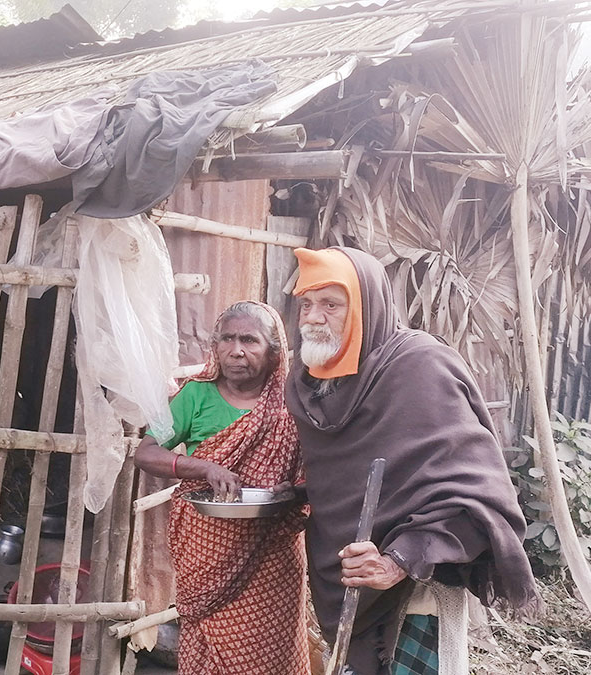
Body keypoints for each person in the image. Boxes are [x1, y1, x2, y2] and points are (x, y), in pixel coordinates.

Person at [285, 246, 540, 675]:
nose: (312, 317)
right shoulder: (308, 384)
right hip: (346, 579)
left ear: (367, 307)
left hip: (420, 580)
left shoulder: (420, 367)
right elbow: (334, 483)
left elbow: (476, 496)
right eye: (306, 304)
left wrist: (396, 561)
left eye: (331, 304)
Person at [135, 301, 310, 675]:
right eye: (227, 339)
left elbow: (320, 474)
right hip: (205, 554)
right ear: (215, 346)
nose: (236, 350)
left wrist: (293, 491)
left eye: (249, 340)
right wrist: (203, 466)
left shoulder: (293, 405)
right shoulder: (194, 397)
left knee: (269, 656)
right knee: (207, 651)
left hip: (271, 557)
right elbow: (146, 453)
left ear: (273, 350)